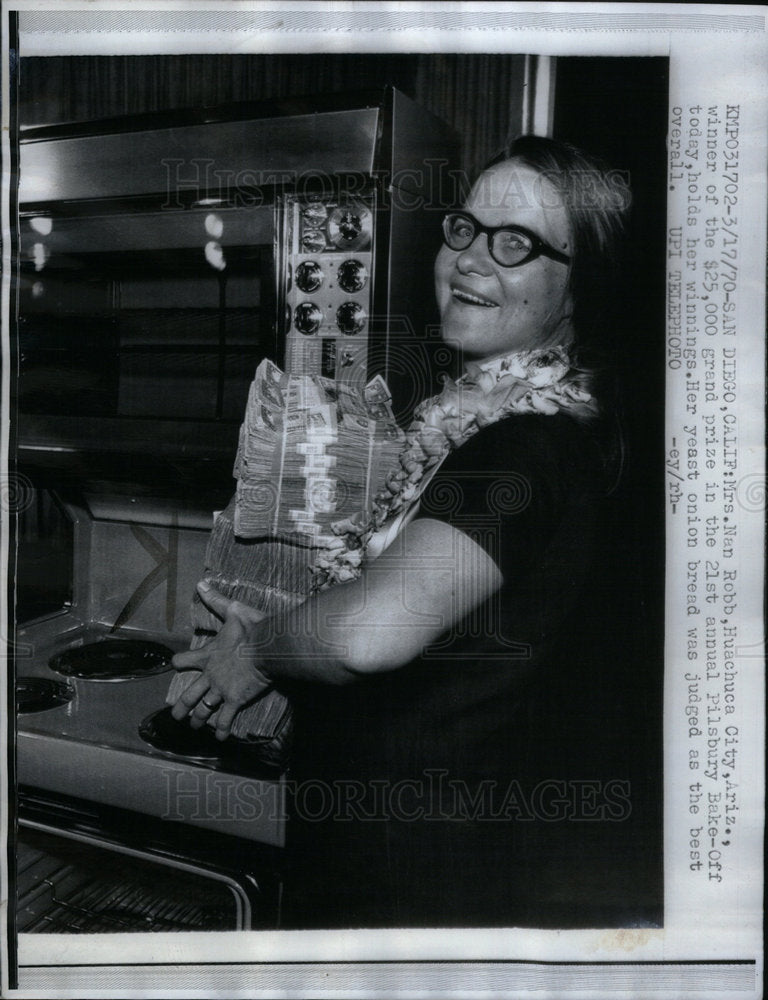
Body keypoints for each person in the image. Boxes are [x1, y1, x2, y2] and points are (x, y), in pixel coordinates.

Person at [169, 135, 661, 929]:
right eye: (464, 228)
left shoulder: (524, 446)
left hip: (417, 888)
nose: (468, 258)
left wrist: (260, 648)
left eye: (516, 244)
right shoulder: (516, 429)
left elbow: (368, 636)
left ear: (582, 288)